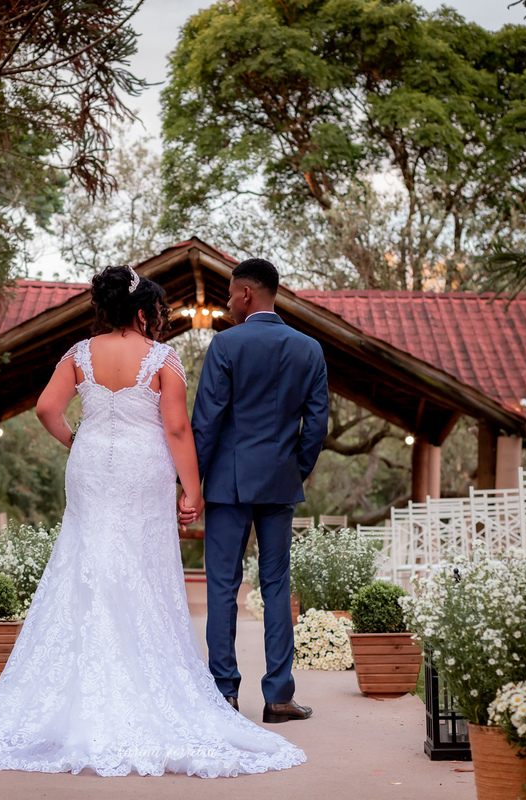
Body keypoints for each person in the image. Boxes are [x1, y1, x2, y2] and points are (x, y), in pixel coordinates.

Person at [0, 265, 305, 778]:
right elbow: (175, 426)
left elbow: (45, 409)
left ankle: (74, 688)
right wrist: (192, 489)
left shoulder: (79, 354)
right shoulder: (162, 358)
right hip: (142, 469)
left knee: (84, 557)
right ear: (144, 312)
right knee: (142, 565)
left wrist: (76, 439)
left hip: (90, 467)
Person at [187, 257, 329, 724]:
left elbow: (205, 422)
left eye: (229, 294)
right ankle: (278, 697)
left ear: (248, 294)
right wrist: (294, 469)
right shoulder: (309, 349)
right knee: (276, 585)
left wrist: (190, 483)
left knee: (223, 588)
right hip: (279, 483)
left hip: (228, 485)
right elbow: (316, 425)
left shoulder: (226, 345)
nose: (227, 303)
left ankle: (224, 693)